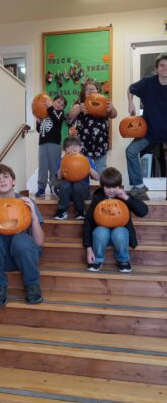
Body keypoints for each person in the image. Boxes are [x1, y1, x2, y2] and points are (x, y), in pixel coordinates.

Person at [0, 164, 44, 306]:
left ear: (13, 181)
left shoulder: (26, 202)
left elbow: (39, 241)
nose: (2, 180)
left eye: (6, 176)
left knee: (21, 239)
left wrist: (34, 217)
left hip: (24, 256)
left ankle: (32, 285)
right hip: (0, 260)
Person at [83, 167, 148, 273]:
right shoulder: (97, 199)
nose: (111, 190)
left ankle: (123, 260)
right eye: (108, 187)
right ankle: (97, 259)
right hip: (102, 234)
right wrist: (89, 249)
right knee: (100, 231)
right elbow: (88, 223)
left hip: (120, 234)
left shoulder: (123, 196)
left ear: (119, 186)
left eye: (114, 187)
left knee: (119, 232)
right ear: (103, 186)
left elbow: (143, 211)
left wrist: (126, 197)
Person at [126, 52, 167, 197]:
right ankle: (138, 185)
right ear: (156, 68)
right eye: (162, 65)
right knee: (131, 151)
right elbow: (130, 88)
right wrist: (131, 103)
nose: (165, 68)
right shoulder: (148, 82)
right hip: (150, 130)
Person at [68, 80, 117, 176]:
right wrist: (78, 108)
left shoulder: (104, 101)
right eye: (87, 89)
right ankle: (82, 190)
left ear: (98, 90)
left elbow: (114, 115)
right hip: (83, 144)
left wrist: (112, 108)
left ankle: (104, 190)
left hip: (101, 143)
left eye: (92, 88)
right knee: (82, 168)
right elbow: (70, 116)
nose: (90, 91)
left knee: (101, 168)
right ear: (83, 93)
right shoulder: (80, 103)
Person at [53, 135, 99, 220]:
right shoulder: (62, 160)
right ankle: (62, 211)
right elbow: (59, 177)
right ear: (65, 150)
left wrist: (88, 167)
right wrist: (63, 162)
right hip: (67, 194)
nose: (72, 148)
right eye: (68, 146)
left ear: (80, 148)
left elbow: (96, 178)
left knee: (77, 185)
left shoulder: (87, 159)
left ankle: (80, 211)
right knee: (65, 184)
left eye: (75, 145)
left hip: (82, 192)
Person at [35, 94, 67, 198]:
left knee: (54, 167)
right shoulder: (45, 113)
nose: (59, 105)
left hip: (55, 144)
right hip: (43, 144)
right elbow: (40, 130)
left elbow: (57, 121)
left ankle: (55, 187)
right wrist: (38, 123)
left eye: (62, 105)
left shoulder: (60, 113)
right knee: (42, 167)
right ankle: (41, 188)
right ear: (52, 101)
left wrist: (51, 108)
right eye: (58, 102)